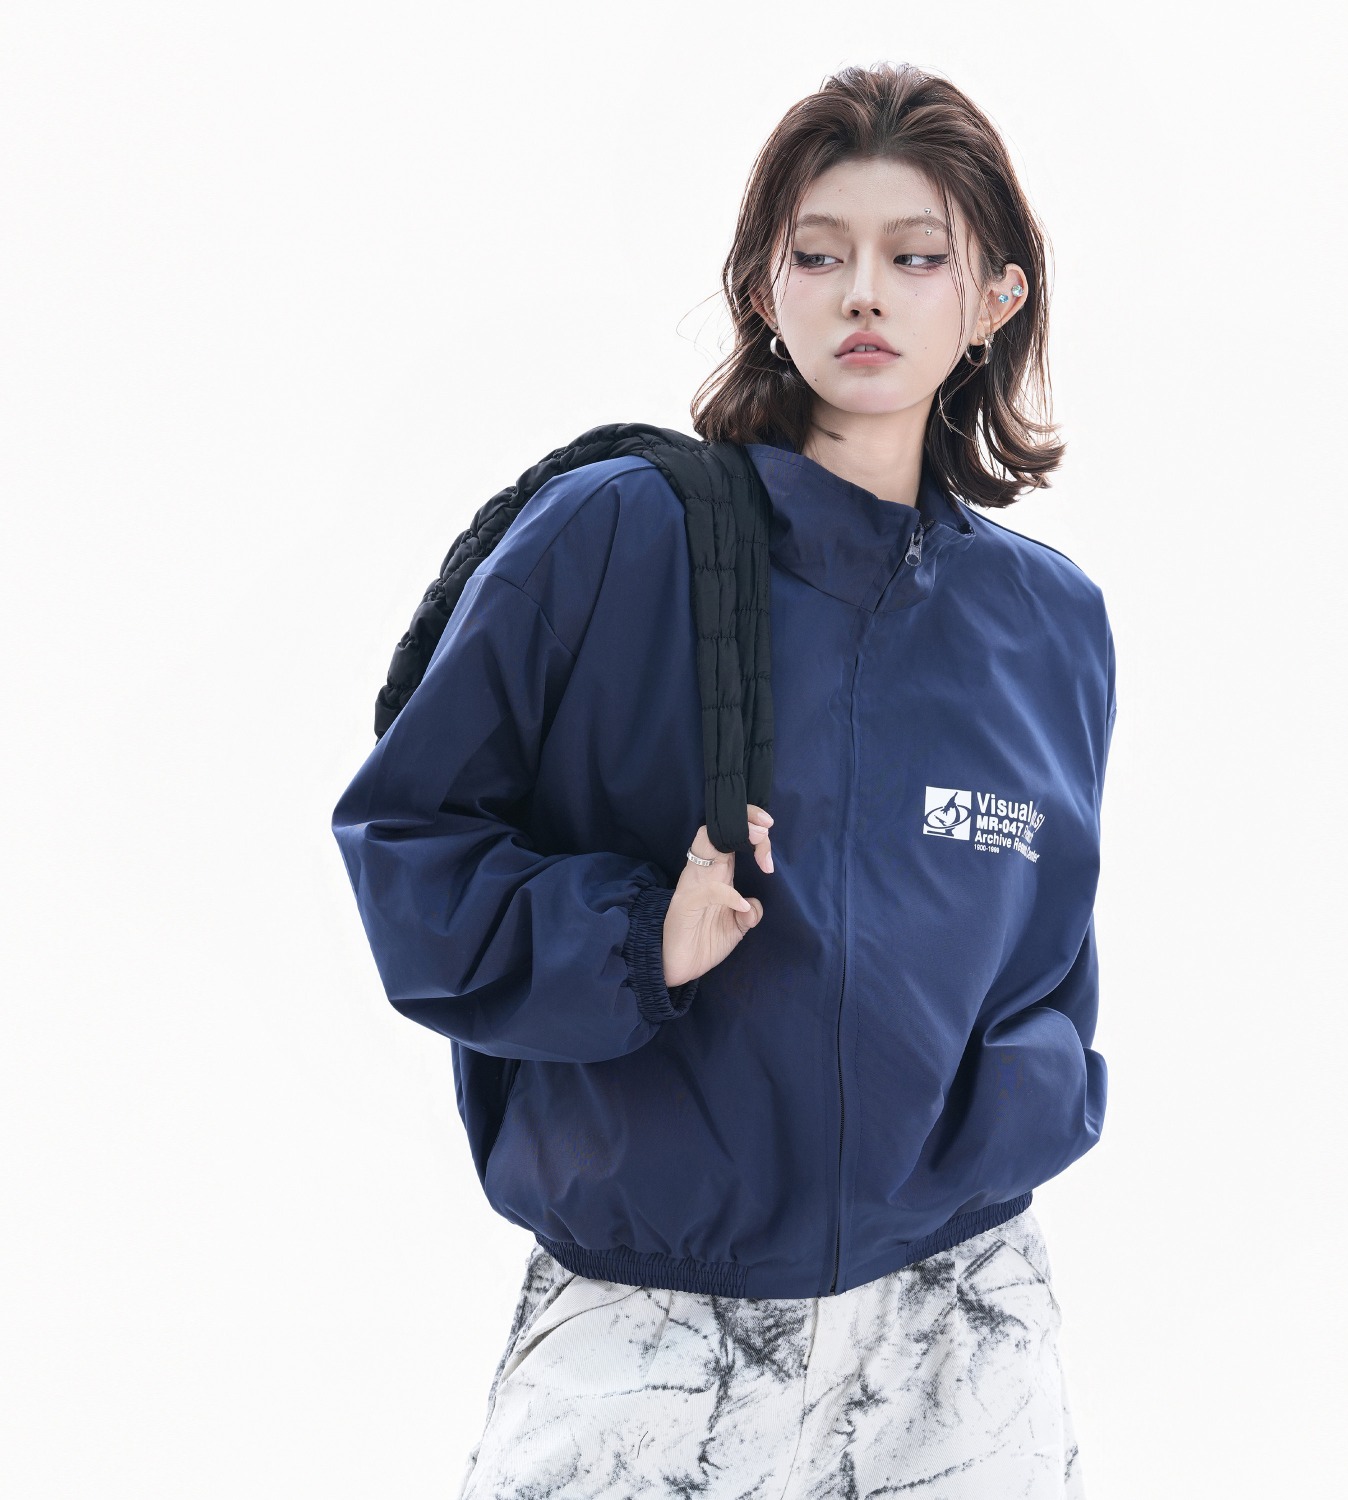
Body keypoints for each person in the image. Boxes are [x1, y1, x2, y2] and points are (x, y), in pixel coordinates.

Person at [331, 61, 1115, 1499]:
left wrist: (1015, 1111)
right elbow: (407, 842)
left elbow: (1047, 956)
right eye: (818, 255)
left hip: (957, 1328)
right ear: (763, 285)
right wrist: (638, 938)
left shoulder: (1047, 622)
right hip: (654, 1333)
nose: (862, 293)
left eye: (915, 257)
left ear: (995, 298)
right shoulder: (616, 537)